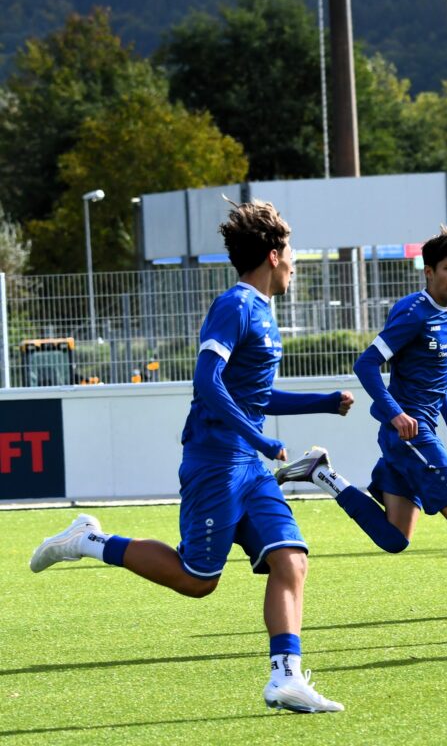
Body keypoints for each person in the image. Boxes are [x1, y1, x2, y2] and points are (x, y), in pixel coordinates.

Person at [29, 198, 350, 713]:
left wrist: (323, 403)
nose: (294, 263)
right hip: (216, 462)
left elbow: (253, 395)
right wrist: (263, 438)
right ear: (272, 255)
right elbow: (206, 380)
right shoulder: (236, 305)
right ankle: (89, 540)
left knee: (291, 558)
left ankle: (285, 678)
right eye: (290, 252)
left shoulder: (263, 313)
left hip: (248, 465)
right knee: (198, 579)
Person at [276, 225, 447, 642]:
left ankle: (323, 474)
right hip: (410, 437)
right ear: (428, 272)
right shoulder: (414, 314)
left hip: (419, 433)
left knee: (395, 539)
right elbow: (366, 365)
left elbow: (436, 381)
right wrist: (395, 414)